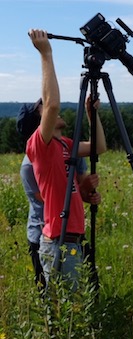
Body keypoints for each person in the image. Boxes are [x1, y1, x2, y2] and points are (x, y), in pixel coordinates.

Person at [26, 28, 106, 291]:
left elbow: (98, 147)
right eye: (41, 107)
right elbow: (52, 105)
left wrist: (92, 115)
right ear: (39, 121)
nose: (46, 106)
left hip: (72, 238)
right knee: (65, 311)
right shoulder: (40, 145)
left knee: (71, 309)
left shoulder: (64, 144)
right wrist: (46, 54)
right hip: (57, 241)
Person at [17, 99, 91, 293]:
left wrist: (87, 190)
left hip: (71, 230)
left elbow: (76, 188)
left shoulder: (66, 148)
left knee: (79, 288)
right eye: (42, 109)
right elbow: (47, 197)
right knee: (50, 293)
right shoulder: (29, 165)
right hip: (45, 233)